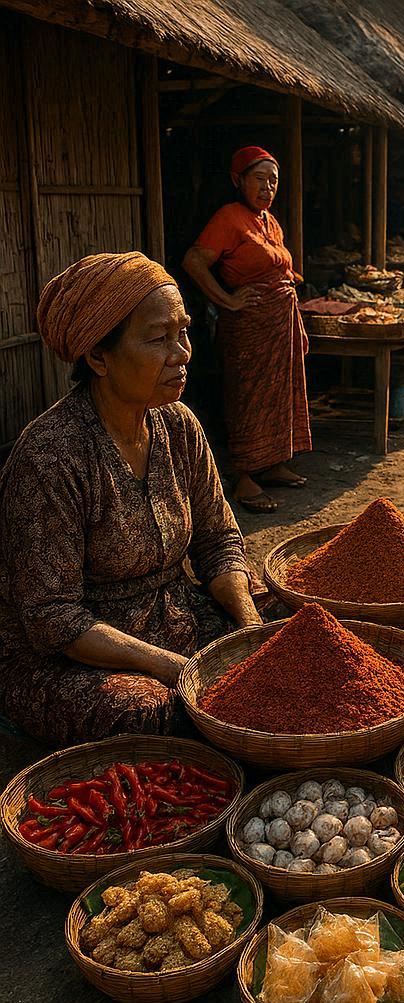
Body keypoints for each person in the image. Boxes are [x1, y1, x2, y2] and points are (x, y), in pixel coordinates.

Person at [0, 253, 262, 746]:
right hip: (75, 655)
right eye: (159, 338)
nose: (182, 352)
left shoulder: (178, 425)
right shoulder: (52, 455)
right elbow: (54, 620)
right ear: (99, 357)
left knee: (291, 627)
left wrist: (250, 625)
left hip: (173, 614)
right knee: (153, 712)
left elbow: (218, 539)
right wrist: (179, 669)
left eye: (183, 332)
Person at [183, 146, 311, 514]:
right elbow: (193, 260)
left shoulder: (270, 221)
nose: (268, 188)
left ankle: (272, 464)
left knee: (279, 396)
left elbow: (283, 271)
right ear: (238, 180)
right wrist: (227, 299)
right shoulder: (229, 217)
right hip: (248, 328)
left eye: (274, 181)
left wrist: (293, 314)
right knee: (248, 398)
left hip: (280, 324)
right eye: (260, 179)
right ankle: (243, 478)